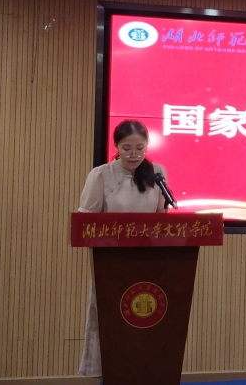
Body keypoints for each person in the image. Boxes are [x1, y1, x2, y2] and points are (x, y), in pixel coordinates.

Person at [77, 119, 171, 378]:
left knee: (148, 316)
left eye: (140, 148)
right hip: (111, 263)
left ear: (147, 146)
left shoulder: (157, 172)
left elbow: (161, 216)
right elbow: (86, 221)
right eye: (127, 148)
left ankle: (145, 373)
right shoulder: (101, 174)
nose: (134, 154)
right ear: (116, 146)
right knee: (111, 319)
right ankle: (109, 374)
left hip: (149, 262)